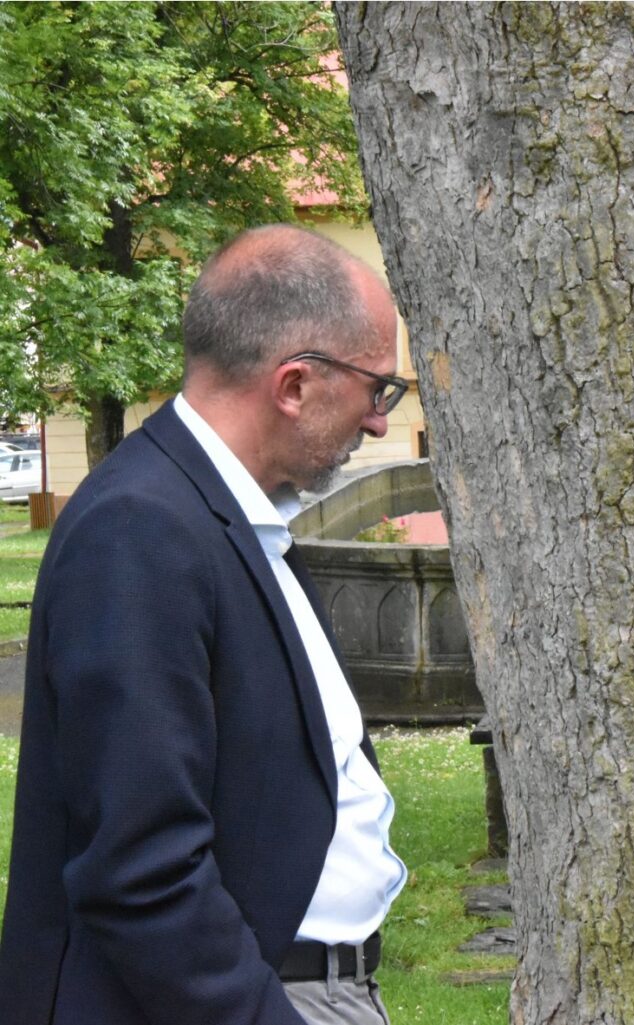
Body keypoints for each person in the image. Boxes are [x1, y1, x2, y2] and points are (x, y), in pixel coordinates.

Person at [0, 225, 414, 1023]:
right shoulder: (140, 529)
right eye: (377, 389)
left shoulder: (226, 516)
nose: (376, 423)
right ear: (293, 385)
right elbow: (142, 871)